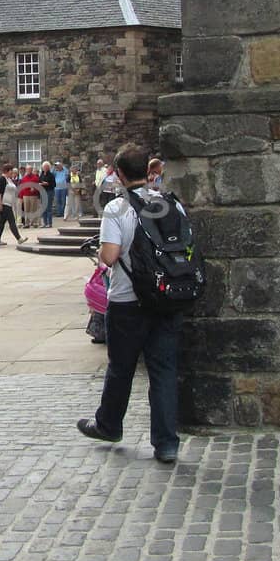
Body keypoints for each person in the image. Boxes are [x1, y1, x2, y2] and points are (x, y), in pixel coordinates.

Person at [76, 143, 184, 464]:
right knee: (163, 370)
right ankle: (166, 443)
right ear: (149, 172)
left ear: (120, 174)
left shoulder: (117, 208)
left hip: (128, 301)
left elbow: (109, 256)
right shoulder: (171, 204)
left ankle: (109, 425)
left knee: (121, 368)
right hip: (166, 297)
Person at [0, 164, 26, 245]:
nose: (12, 172)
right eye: (11, 171)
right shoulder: (2, 179)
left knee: (1, 223)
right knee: (12, 221)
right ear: (7, 171)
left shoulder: (9, 180)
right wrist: (0, 204)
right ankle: (19, 238)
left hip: (9, 203)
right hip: (4, 203)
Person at [39, 161, 56, 229]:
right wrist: (41, 183)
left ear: (49, 167)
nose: (45, 168)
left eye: (46, 167)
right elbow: (39, 181)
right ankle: (45, 223)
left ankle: (49, 223)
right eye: (44, 167)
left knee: (49, 208)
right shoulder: (42, 174)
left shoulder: (51, 175)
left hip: (49, 191)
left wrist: (47, 183)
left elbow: (54, 184)